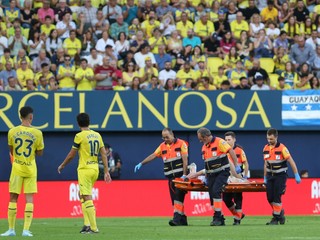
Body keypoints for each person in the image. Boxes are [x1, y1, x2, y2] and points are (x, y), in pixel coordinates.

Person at [58, 113, 112, 234]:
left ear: (78, 123)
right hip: (95, 168)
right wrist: (106, 171)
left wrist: (62, 165)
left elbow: (72, 154)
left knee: (86, 196)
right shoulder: (97, 135)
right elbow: (103, 153)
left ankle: (93, 228)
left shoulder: (79, 136)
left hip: (85, 169)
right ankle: (86, 225)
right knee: (81, 194)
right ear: (89, 122)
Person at [1, 106, 44, 237]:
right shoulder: (37, 133)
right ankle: (26, 230)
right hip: (30, 168)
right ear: (31, 117)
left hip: (17, 167)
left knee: (13, 198)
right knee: (29, 199)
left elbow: (11, 150)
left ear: (20, 116)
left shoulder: (12, 131)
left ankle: (11, 229)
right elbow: (40, 153)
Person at [186, 128, 241, 226]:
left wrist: (236, 165)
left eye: (201, 139)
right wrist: (206, 177)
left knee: (216, 191)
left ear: (206, 137)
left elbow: (231, 151)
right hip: (211, 175)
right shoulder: (204, 147)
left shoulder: (220, 142)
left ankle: (218, 217)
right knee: (212, 195)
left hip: (222, 172)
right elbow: (207, 164)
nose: (200, 141)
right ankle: (221, 218)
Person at [134, 128, 189, 226]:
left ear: (172, 134)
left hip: (180, 177)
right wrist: (141, 163)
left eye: (167, 137)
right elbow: (153, 155)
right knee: (175, 200)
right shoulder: (162, 146)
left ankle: (176, 220)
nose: (165, 139)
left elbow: (185, 161)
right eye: (163, 137)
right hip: (170, 178)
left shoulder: (181, 144)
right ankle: (183, 219)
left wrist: (184, 175)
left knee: (177, 197)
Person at [263, 128, 301, 225]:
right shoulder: (265, 148)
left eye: (271, 139)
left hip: (280, 176)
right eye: (268, 139)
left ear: (276, 137)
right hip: (270, 175)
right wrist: (265, 177)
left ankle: (275, 218)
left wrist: (296, 174)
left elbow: (291, 161)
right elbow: (265, 163)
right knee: (269, 198)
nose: (269, 141)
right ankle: (280, 214)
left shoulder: (282, 148)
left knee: (277, 196)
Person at [223, 131, 249, 225]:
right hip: (227, 178)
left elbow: (245, 163)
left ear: (234, 140)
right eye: (225, 140)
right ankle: (239, 214)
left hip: (238, 177)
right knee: (226, 199)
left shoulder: (239, 151)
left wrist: (245, 176)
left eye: (229, 139)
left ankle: (237, 219)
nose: (227, 141)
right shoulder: (223, 151)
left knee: (237, 198)